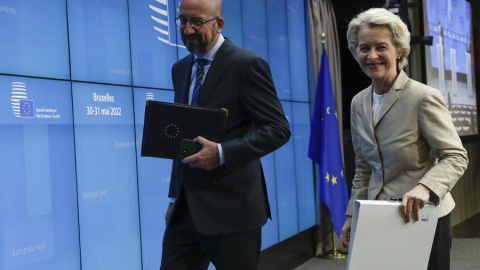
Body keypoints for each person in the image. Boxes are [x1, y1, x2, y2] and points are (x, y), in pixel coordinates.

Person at [160, 0, 291, 269]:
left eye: (197, 22)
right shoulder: (180, 69)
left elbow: (278, 129)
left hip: (234, 213)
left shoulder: (247, 64)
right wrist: (174, 197)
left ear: (219, 24)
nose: (186, 30)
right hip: (185, 212)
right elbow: (182, 139)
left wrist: (221, 153)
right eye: (182, 20)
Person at [340, 8, 468, 270]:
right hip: (378, 217)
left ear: (400, 50)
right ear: (355, 52)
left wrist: (426, 187)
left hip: (424, 216)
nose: (372, 55)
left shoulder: (422, 97)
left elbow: (455, 156)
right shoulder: (358, 103)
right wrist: (353, 214)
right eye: (364, 48)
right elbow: (364, 167)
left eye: (381, 47)